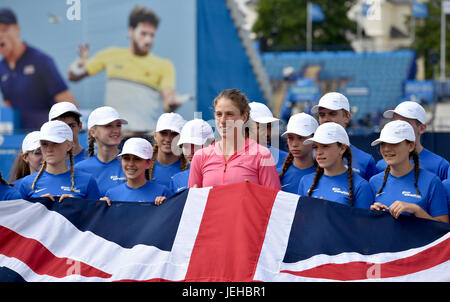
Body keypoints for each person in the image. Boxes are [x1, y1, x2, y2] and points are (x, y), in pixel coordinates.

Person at [68, 6, 178, 133]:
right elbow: (73, 76)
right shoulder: (111, 54)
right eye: (143, 33)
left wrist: (172, 103)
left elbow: (168, 102)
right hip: (115, 136)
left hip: (146, 136)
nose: (148, 40)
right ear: (130, 31)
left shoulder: (164, 65)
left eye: (152, 35)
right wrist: (78, 64)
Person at [188, 88, 281, 190]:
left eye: (229, 114)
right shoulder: (200, 157)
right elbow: (193, 203)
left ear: (244, 117)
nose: (222, 121)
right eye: (219, 114)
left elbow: (273, 201)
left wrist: (254, 194)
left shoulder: (262, 155)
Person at [0, 8, 77, 130]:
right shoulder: (2, 68)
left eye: (4, 30)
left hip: (48, 139)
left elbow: (69, 106)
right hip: (21, 141)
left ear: (17, 29)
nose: (0, 35)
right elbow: (9, 105)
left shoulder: (41, 61)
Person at [369, 120, 448, 223]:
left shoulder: (432, 182)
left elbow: (443, 228)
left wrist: (416, 210)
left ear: (410, 146)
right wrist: (374, 213)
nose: (386, 149)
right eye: (383, 144)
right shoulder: (374, 182)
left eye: (394, 143)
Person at [18, 120, 100, 202]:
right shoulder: (27, 183)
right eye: (44, 144)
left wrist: (77, 206)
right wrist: (39, 206)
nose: (49, 149)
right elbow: (22, 214)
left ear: (69, 146)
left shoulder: (87, 181)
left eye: (55, 143)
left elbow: (95, 213)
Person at [297, 122, 373, 209]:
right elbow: (301, 219)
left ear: (342, 148)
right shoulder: (305, 181)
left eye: (325, 146)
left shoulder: (361, 186)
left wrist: (329, 214)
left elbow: (363, 222)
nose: (319, 152)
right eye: (315, 147)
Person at [376, 101, 449, 181]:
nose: (398, 126)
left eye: (405, 123)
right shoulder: (381, 166)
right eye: (395, 122)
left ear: (422, 128)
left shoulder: (440, 166)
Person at [311, 92, 377, 181]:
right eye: (322, 115)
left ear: (347, 117)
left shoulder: (365, 160)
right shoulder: (309, 156)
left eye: (332, 114)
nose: (326, 119)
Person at [75, 106, 128, 196]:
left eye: (118, 125)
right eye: (108, 126)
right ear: (93, 132)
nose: (116, 130)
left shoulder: (132, 164)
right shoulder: (79, 169)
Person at [101, 137, 170, 205]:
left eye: (137, 159)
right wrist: (101, 207)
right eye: (126, 158)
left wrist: (166, 205)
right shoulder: (111, 194)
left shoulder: (162, 192)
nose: (131, 164)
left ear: (148, 163)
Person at [169, 118, 215, 195]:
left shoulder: (221, 175)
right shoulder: (176, 180)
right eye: (186, 146)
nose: (190, 151)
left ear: (211, 144)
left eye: (196, 145)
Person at [278, 113, 318, 194]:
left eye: (301, 138)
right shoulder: (277, 174)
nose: (294, 144)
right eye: (290, 138)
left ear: (314, 140)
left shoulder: (324, 175)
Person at [148, 112, 188, 189]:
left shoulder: (191, 168)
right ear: (155, 135)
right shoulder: (143, 166)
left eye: (174, 134)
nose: (168, 139)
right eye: (163, 133)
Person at [248, 101, 288, 169]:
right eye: (261, 127)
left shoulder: (286, 160)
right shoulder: (229, 158)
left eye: (269, 127)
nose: (267, 133)